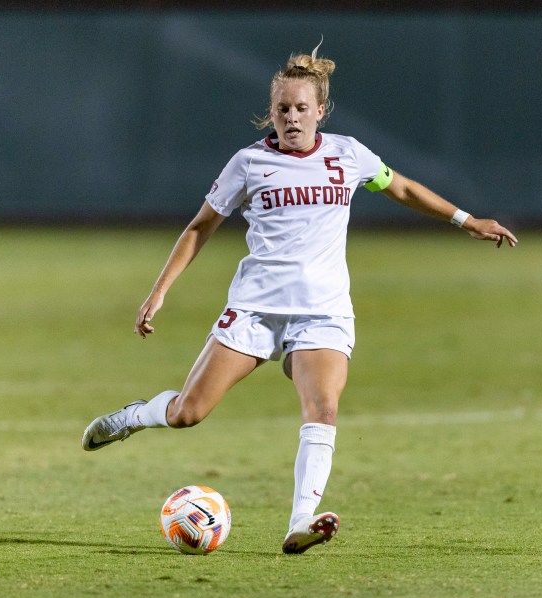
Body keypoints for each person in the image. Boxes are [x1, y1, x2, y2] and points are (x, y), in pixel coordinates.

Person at [81, 41, 517, 555]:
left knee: (323, 407)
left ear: (320, 111)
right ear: (271, 112)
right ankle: (137, 415)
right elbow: (200, 227)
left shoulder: (348, 155)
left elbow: (400, 188)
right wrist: (158, 293)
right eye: (283, 109)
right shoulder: (249, 163)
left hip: (324, 312)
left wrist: (467, 221)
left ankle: (300, 521)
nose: (292, 117)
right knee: (188, 413)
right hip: (256, 309)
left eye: (301, 108)